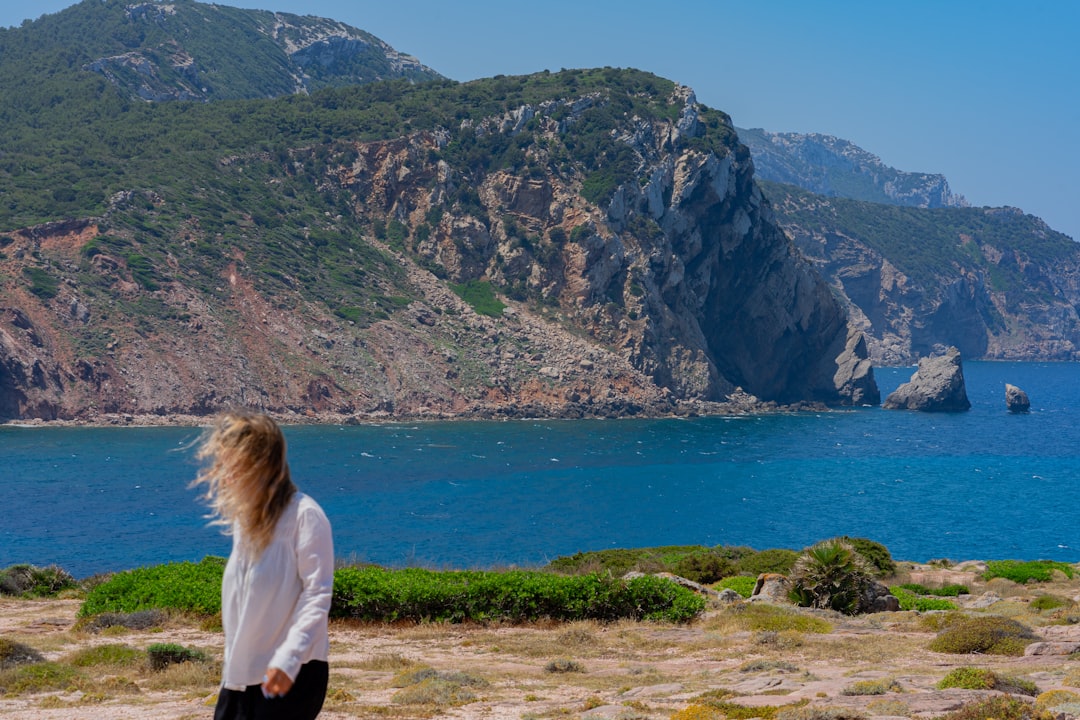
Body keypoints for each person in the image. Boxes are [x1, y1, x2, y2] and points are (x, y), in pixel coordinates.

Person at [193, 411, 334, 720]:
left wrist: (288, 659)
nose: (225, 475)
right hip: (242, 676)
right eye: (224, 463)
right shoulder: (247, 522)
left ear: (262, 465)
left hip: (292, 672)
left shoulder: (304, 516)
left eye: (235, 465)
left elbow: (317, 593)